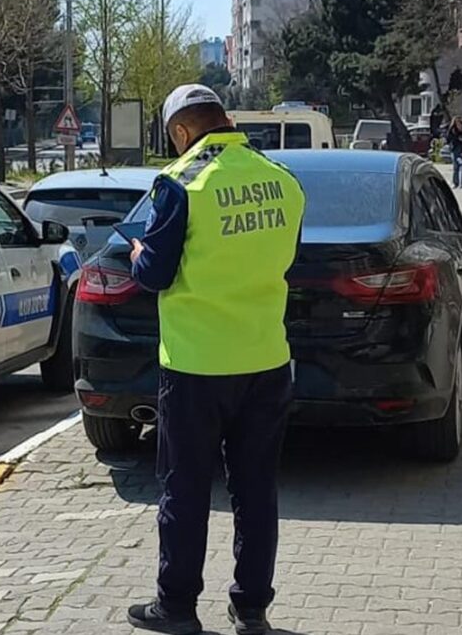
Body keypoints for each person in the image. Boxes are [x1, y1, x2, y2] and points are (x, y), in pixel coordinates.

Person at [126, 83, 305, 635]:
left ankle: (176, 608)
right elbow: (283, 258)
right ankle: (251, 609)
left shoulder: (181, 184)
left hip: (196, 364)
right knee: (256, 489)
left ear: (182, 131)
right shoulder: (282, 180)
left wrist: (137, 251)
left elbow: (154, 273)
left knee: (186, 487)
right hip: (265, 359)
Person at [447, 118, 462, 188]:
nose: (458, 124)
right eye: (457, 122)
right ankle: (455, 182)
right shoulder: (452, 130)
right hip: (455, 149)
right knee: (456, 166)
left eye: (459, 122)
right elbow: (449, 139)